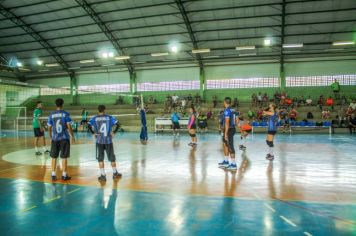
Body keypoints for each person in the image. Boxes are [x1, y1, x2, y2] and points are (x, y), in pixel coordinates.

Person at [88, 105, 122, 182]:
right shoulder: (109, 117)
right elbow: (118, 124)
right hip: (108, 141)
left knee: (100, 158)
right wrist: (114, 132)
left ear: (98, 110)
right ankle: (115, 173)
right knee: (112, 158)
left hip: (99, 141)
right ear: (104, 110)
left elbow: (88, 125)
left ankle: (103, 175)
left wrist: (93, 133)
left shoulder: (94, 118)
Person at [47, 98, 75, 181]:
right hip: (64, 138)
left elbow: (49, 127)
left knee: (54, 157)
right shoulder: (65, 114)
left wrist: (50, 136)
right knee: (64, 157)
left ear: (55, 105)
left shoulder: (51, 114)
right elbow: (69, 126)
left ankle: (53, 175)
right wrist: (72, 136)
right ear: (62, 104)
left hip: (55, 138)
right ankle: (64, 175)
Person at [218, 97, 237, 171]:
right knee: (226, 145)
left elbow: (227, 123)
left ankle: (233, 164)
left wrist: (225, 133)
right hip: (230, 129)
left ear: (224, 102)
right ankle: (226, 161)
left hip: (229, 130)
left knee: (230, 146)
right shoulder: (231, 110)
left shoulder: (227, 111)